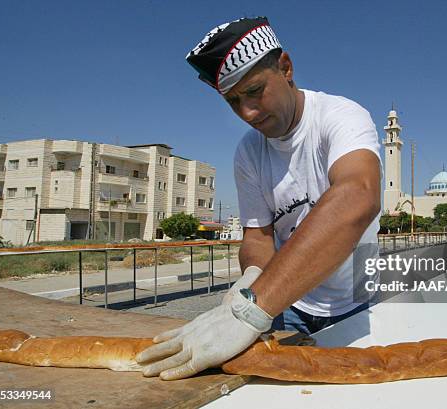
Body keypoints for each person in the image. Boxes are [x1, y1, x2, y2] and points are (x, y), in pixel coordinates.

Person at [136, 17, 382, 381]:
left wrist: (252, 310)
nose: (247, 113)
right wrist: (251, 279)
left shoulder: (339, 117)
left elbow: (358, 196)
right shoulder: (249, 152)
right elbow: (258, 237)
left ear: (285, 68)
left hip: (354, 301)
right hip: (288, 304)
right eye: (233, 101)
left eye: (254, 91)